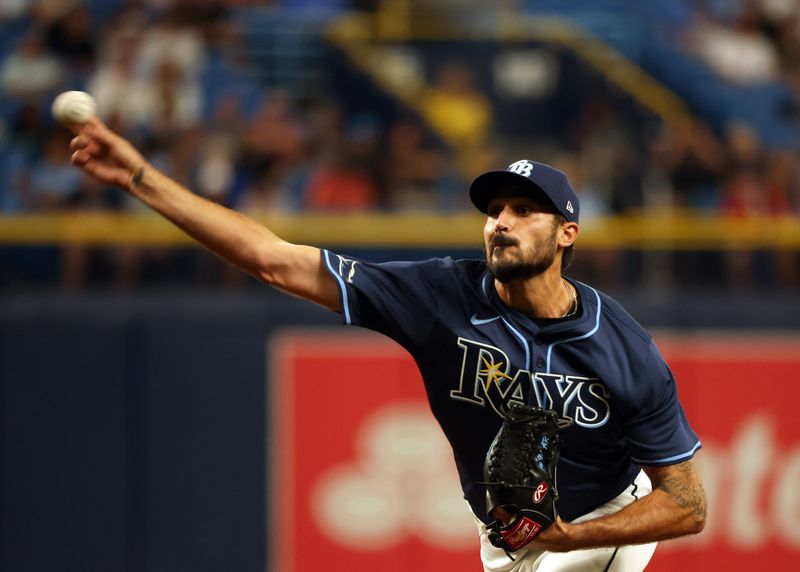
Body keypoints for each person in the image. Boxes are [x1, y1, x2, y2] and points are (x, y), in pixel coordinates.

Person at [69, 119, 707, 571]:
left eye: (524, 210)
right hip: (509, 536)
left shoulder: (621, 345)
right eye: (496, 210)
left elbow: (686, 504)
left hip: (599, 525)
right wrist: (139, 177)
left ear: (567, 232)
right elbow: (272, 259)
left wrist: (573, 538)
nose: (502, 222)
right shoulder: (439, 295)